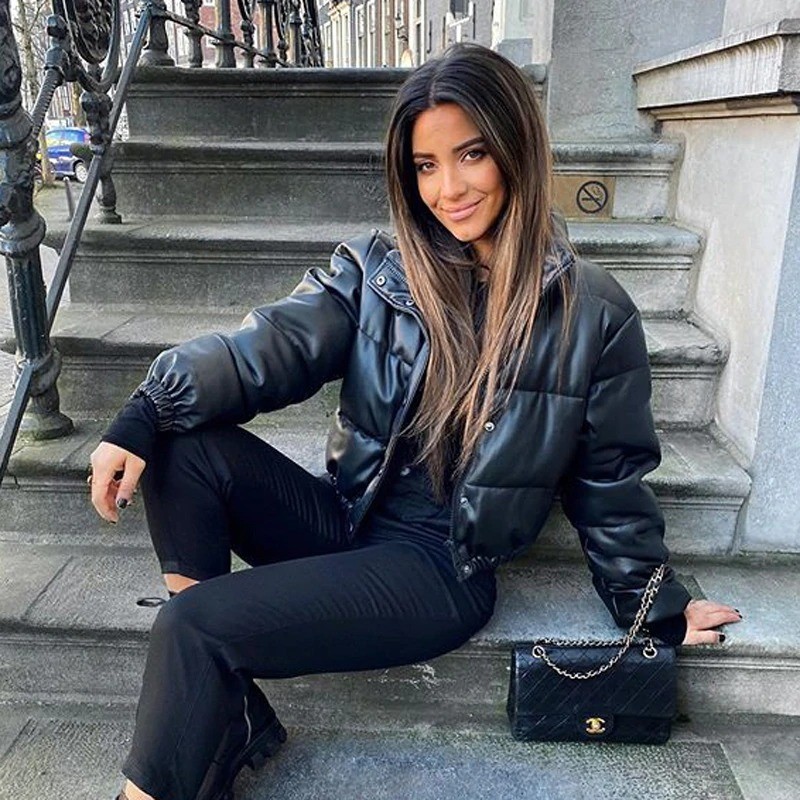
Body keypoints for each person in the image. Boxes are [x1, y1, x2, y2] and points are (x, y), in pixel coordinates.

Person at [89, 42, 741, 800]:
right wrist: (143, 412)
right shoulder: (379, 271)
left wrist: (655, 605)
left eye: (471, 155)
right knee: (177, 442)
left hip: (439, 568)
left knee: (191, 626)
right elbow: (269, 349)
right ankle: (219, 711)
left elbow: (609, 482)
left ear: (517, 150)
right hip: (346, 516)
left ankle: (193, 721)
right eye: (426, 166)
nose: (448, 189)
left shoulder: (592, 314)